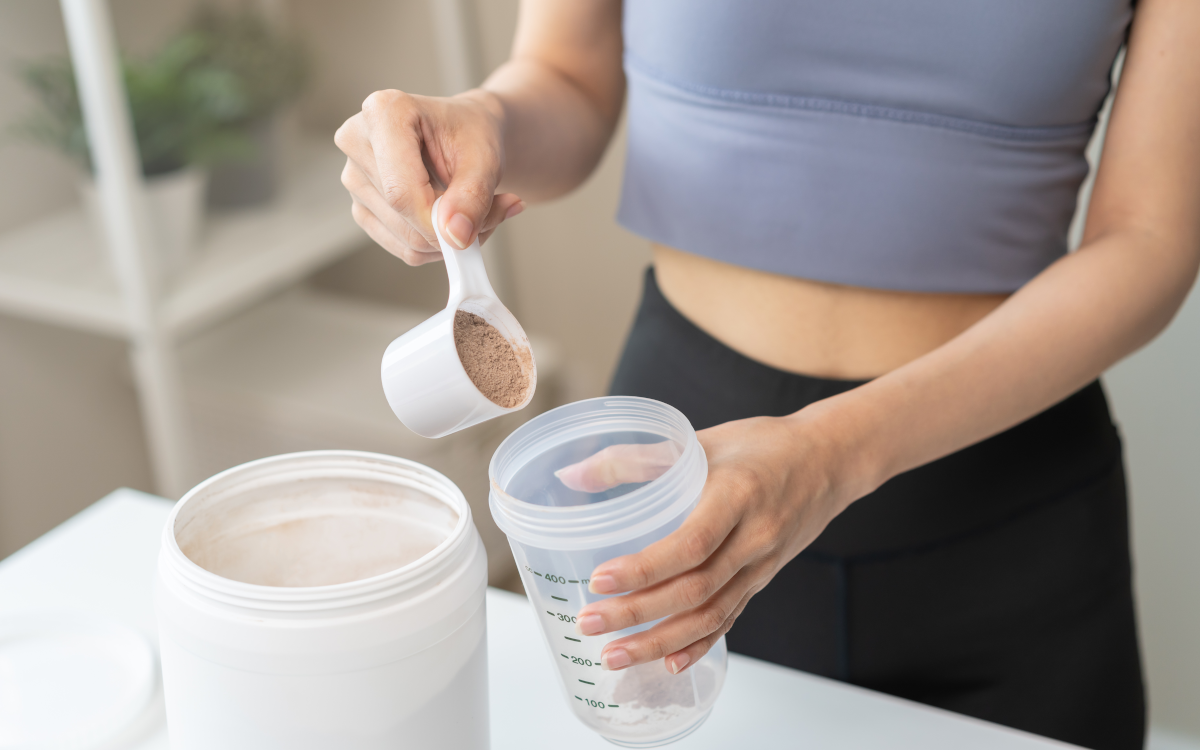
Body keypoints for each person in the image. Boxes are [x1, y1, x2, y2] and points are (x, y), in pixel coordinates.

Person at [335, 2, 1200, 748]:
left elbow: (1151, 239)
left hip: (1001, 491)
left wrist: (833, 452)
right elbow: (567, 77)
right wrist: (484, 121)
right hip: (678, 492)